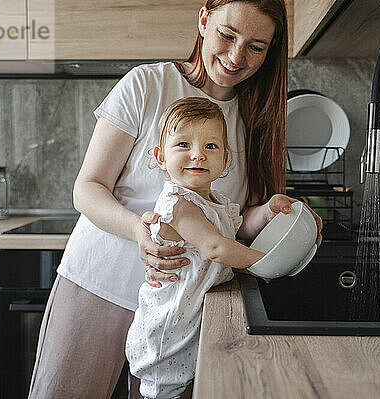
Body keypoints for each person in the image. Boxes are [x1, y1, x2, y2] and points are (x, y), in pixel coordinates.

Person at [28, 1, 323, 398]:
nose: (237, 56)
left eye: (256, 46)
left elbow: (232, 216)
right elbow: (88, 187)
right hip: (100, 283)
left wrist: (282, 219)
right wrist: (140, 231)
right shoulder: (146, 84)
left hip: (182, 311)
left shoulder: (257, 118)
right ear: (204, 20)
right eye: (227, 34)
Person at [127, 97, 291, 399]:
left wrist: (270, 211)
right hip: (169, 326)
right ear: (160, 156)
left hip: (193, 316)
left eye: (211, 147)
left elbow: (237, 229)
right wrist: (268, 263)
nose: (198, 155)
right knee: (163, 392)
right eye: (183, 145)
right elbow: (216, 247)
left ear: (225, 161)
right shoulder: (178, 205)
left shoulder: (215, 201)